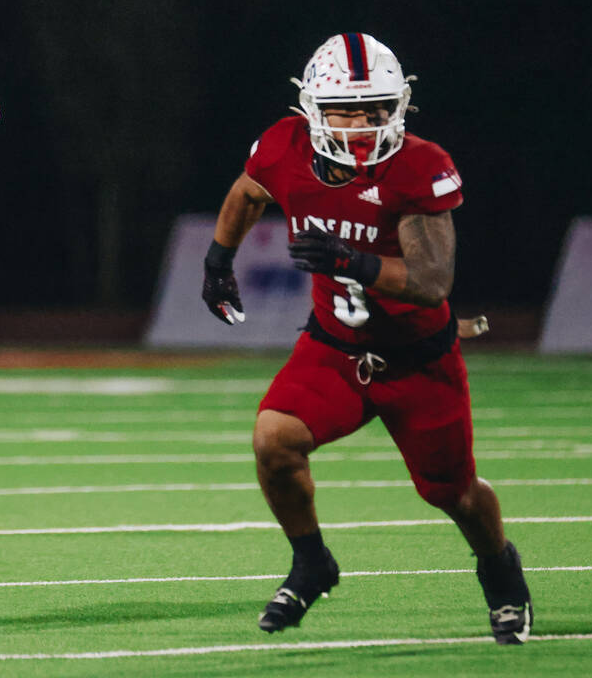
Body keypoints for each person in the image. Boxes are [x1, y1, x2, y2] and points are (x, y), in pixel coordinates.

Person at [201, 33, 532, 644]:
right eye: (345, 110)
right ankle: (312, 562)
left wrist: (353, 262)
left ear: (396, 107)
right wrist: (219, 261)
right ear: (313, 110)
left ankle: (500, 572)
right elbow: (250, 191)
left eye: (374, 109)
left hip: (417, 361)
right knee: (273, 440)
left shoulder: (419, 164)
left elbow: (432, 281)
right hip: (334, 346)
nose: (360, 122)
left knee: (453, 494)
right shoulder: (284, 146)